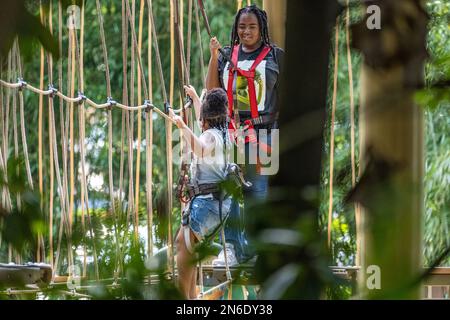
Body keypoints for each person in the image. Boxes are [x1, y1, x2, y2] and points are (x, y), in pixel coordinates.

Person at [205, 4, 284, 265]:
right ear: (236, 30)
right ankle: (231, 248)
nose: (246, 31)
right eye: (242, 26)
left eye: (252, 26)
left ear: (261, 27)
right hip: (231, 133)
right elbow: (212, 91)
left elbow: (285, 96)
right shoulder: (227, 55)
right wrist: (214, 55)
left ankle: (259, 248)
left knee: (259, 193)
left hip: (264, 134)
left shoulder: (275, 56)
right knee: (229, 192)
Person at [171, 87, 233, 299]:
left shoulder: (210, 138)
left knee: (183, 243)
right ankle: (190, 297)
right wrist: (197, 98)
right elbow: (202, 125)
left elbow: (200, 148)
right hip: (218, 204)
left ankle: (184, 299)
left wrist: (181, 126)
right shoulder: (223, 133)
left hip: (207, 203)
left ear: (206, 117)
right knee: (188, 247)